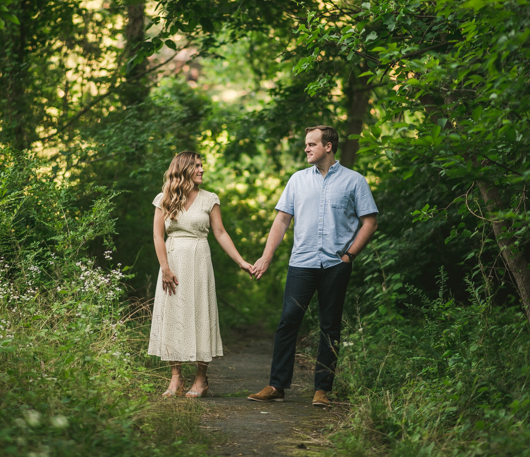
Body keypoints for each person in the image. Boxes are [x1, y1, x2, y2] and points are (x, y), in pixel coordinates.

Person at [248, 126, 378, 407]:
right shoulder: (297, 180)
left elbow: (370, 221)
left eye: (311, 144)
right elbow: (282, 221)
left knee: (330, 326)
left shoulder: (354, 181)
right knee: (287, 323)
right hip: (302, 263)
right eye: (306, 145)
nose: (306, 149)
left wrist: (349, 255)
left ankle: (322, 390)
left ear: (328, 146)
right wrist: (266, 257)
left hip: (335, 264)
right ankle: (276, 385)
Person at [149, 151, 254, 398]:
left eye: (201, 165)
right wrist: (165, 268)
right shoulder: (164, 198)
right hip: (172, 263)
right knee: (173, 314)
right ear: (183, 169)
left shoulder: (209, 199)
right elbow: (157, 235)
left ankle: (200, 379)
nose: (201, 169)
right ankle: (175, 378)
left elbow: (220, 233)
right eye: (196, 165)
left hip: (199, 262)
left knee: (200, 313)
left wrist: (240, 261)